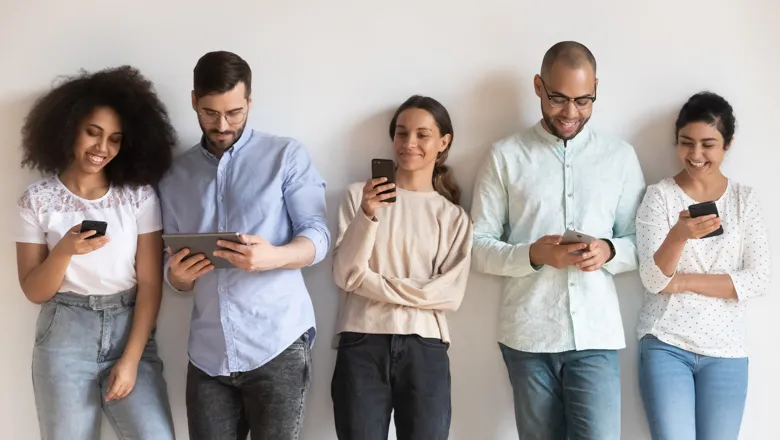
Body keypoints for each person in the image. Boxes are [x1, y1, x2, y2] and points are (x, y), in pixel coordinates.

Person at [469, 41, 646, 440]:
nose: (570, 113)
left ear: (597, 88)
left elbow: (642, 242)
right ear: (538, 86)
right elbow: (478, 246)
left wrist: (610, 250)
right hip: (527, 337)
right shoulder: (504, 156)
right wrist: (533, 254)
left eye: (584, 100)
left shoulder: (619, 157)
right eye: (558, 98)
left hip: (596, 336)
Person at [158, 50, 330, 440]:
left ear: (250, 101)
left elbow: (318, 236)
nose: (222, 125)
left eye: (234, 112)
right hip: (207, 355)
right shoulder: (173, 177)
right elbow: (173, 273)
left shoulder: (286, 155)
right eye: (210, 112)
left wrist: (274, 257)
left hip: (277, 342)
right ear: (193, 101)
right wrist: (179, 277)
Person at [14, 66, 177, 440]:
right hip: (63, 335)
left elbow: (151, 284)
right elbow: (34, 291)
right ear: (69, 127)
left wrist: (132, 359)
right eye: (93, 133)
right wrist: (64, 252)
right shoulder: (36, 201)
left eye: (115, 139)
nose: (102, 148)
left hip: (130, 329)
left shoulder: (138, 195)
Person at [331, 95, 473, 440]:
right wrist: (368, 214)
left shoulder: (452, 216)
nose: (409, 143)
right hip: (362, 342)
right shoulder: (357, 198)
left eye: (422, 135)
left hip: (426, 346)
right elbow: (346, 274)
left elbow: (450, 295)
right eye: (401, 133)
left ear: (444, 142)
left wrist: (374, 284)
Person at [635, 92, 771, 440]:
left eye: (708, 144)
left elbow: (758, 279)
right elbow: (653, 280)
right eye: (686, 143)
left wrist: (681, 282)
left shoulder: (744, 200)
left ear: (728, 144)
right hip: (667, 344)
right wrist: (678, 236)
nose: (695, 155)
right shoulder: (659, 197)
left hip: (726, 351)